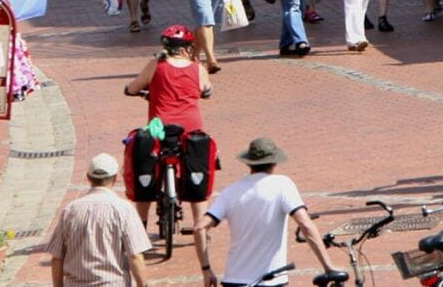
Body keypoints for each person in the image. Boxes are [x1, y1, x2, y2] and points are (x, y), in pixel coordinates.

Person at [194, 138, 340, 287]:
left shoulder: (230, 192)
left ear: (248, 163)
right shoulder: (283, 185)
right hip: (271, 280)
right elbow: (305, 224)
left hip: (234, 280)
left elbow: (199, 228)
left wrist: (206, 270)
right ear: (275, 162)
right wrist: (328, 267)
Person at [124, 25, 213, 231]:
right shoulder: (198, 68)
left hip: (159, 128)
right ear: (187, 48)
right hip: (190, 129)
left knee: (145, 166)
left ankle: (140, 226)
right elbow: (206, 90)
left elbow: (134, 87)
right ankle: (201, 227)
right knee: (195, 168)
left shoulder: (156, 65)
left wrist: (130, 90)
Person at [45, 153, 151, 287]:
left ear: (88, 177)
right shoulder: (124, 209)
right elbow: (135, 256)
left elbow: (57, 257)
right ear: (115, 178)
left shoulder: (71, 210)